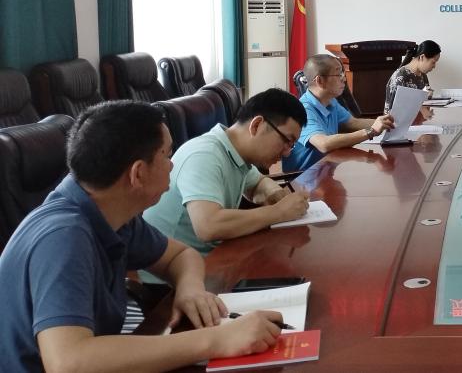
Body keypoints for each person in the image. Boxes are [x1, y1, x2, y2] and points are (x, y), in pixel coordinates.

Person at [0, 101, 283, 373]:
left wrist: (190, 289)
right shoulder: (64, 237)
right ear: (137, 173)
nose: (172, 165)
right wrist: (217, 340)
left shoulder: (110, 211)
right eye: (167, 155)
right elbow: (69, 363)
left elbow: (181, 255)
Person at [142, 88, 312, 257]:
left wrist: (273, 193)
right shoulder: (204, 155)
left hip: (208, 258)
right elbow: (208, 226)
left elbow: (259, 182)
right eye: (287, 141)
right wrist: (279, 212)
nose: (287, 152)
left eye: (291, 145)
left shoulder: (236, 152)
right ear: (257, 125)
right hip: (171, 269)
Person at [282, 54, 395, 172]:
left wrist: (386, 122)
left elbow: (352, 123)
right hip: (303, 177)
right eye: (338, 74)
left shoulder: (330, 101)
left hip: (325, 170)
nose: (344, 79)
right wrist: (371, 132)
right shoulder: (303, 110)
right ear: (320, 81)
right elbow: (324, 144)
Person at [384, 40, 440, 112]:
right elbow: (393, 111)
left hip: (417, 117)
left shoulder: (423, 75)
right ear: (422, 57)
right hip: (399, 118)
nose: (434, 66)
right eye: (433, 62)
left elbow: (423, 102)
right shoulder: (400, 77)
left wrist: (428, 98)